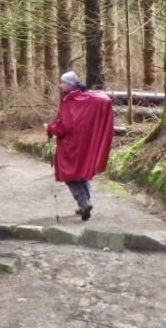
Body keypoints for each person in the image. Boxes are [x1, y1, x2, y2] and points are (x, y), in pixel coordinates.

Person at [45, 71, 114, 221]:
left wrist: (49, 128)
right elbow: (104, 100)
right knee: (80, 172)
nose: (60, 85)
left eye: (62, 82)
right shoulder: (86, 97)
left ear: (70, 84)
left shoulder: (69, 100)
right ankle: (85, 203)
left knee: (68, 175)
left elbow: (64, 127)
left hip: (69, 145)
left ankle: (83, 202)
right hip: (83, 145)